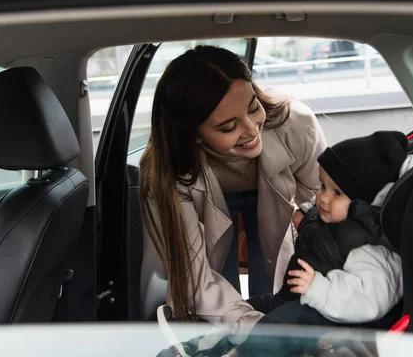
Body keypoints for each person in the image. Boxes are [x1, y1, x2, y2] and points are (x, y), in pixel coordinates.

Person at [139, 45, 327, 345]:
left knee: (278, 283)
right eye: (228, 126)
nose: (252, 129)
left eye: (253, 107)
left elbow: (323, 202)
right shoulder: (166, 174)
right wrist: (260, 332)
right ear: (194, 133)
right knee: (219, 306)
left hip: (275, 201)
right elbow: (195, 276)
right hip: (211, 209)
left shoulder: (297, 125)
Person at [238, 131, 413, 357]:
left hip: (333, 321)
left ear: (365, 201)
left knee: (277, 329)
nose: (323, 197)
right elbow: (319, 220)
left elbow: (367, 300)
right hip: (296, 298)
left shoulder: (371, 250)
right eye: (322, 186)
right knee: (246, 308)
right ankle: (227, 336)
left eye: (337, 192)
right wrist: (305, 218)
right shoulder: (339, 222)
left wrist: (317, 288)